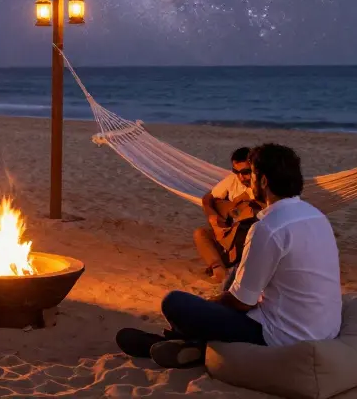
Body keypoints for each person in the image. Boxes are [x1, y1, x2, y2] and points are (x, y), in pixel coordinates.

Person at [117, 143, 342, 368]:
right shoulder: (316, 216)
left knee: (175, 303)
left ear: (263, 181)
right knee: (235, 273)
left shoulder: (269, 227)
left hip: (283, 337)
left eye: (251, 174)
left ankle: (181, 342)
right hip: (324, 329)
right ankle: (186, 345)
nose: (248, 180)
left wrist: (212, 304)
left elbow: (242, 303)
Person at [193, 147, 261, 284]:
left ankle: (230, 267)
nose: (241, 177)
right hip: (229, 235)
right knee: (200, 234)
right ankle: (218, 268)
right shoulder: (232, 180)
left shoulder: (262, 185)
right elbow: (208, 198)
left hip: (249, 238)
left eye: (246, 172)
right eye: (236, 172)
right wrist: (212, 215)